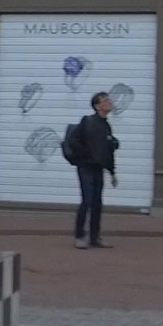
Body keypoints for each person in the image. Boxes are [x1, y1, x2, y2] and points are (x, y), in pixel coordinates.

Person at [68, 91, 120, 250]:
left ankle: (95, 237)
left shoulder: (106, 126)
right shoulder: (88, 121)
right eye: (105, 100)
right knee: (87, 200)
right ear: (97, 106)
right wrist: (87, 155)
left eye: (109, 99)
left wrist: (112, 172)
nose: (109, 102)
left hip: (98, 168)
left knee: (97, 202)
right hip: (86, 167)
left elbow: (107, 152)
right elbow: (73, 140)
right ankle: (79, 236)